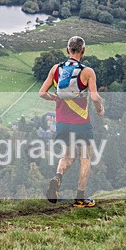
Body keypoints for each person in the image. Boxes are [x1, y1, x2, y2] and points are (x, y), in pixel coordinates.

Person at [38, 36, 104, 207]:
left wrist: (54, 99)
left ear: (68, 50)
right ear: (83, 51)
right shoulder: (87, 72)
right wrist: (99, 109)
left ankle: (57, 177)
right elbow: (95, 96)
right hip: (81, 124)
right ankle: (80, 198)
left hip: (61, 123)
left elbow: (42, 93)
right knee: (85, 158)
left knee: (68, 155)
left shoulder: (56, 69)